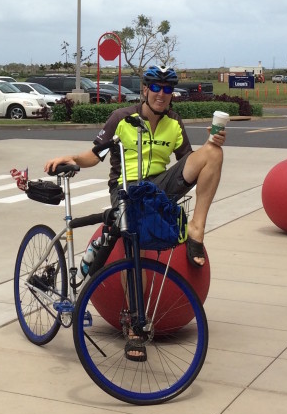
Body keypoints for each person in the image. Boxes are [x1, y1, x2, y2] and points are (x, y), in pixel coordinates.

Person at [44, 65, 224, 266]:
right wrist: (73, 159)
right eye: (156, 87)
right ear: (145, 90)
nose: (161, 94)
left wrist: (211, 142)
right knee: (134, 252)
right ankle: (133, 295)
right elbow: (96, 154)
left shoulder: (174, 121)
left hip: (158, 188)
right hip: (125, 189)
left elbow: (189, 162)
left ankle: (196, 229)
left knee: (214, 152)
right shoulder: (121, 117)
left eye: (167, 89)